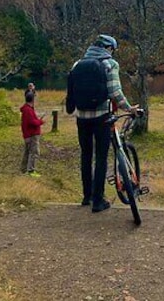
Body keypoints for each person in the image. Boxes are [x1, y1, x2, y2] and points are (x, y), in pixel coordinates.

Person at [66, 34, 137, 213]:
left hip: (81, 117)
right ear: (108, 48)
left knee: (86, 155)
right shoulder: (110, 64)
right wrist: (129, 109)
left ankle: (86, 196)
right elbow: (115, 92)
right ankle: (98, 201)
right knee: (101, 156)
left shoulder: (77, 64)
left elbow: (71, 91)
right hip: (101, 116)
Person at [20, 90, 44, 177]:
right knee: (34, 152)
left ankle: (24, 169)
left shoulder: (27, 109)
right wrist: (40, 121)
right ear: (32, 100)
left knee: (27, 152)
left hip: (28, 134)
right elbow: (32, 122)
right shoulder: (28, 110)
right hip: (32, 135)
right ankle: (31, 170)